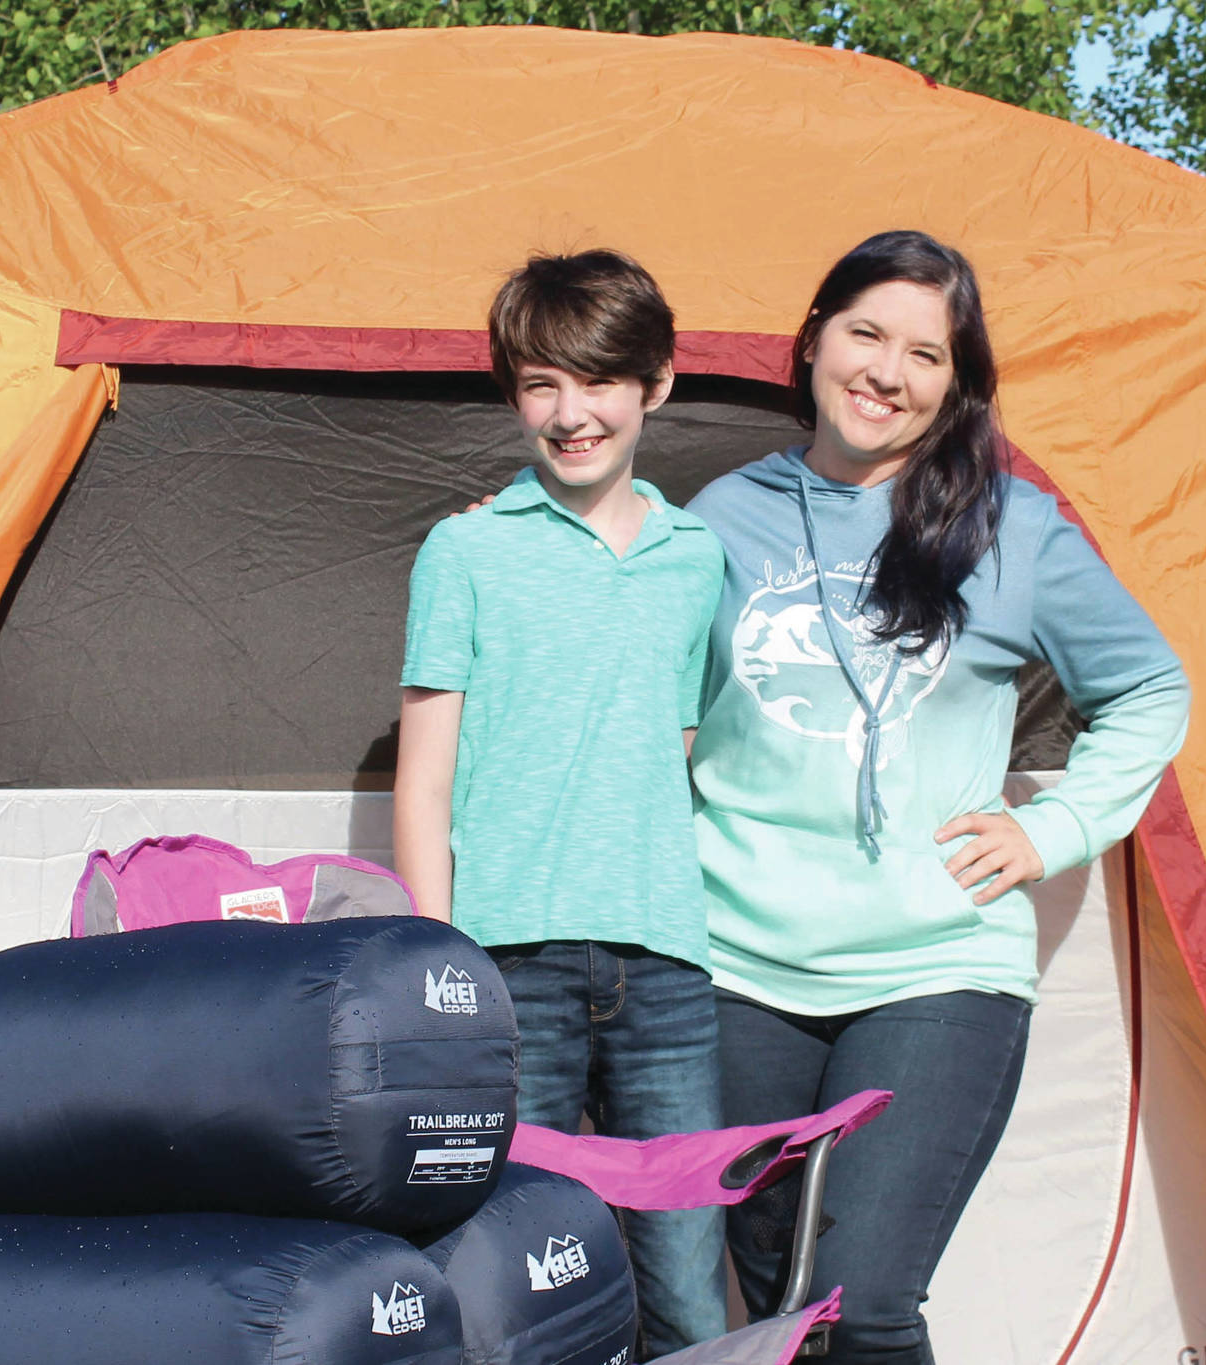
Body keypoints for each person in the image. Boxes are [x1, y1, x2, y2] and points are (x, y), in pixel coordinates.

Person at [687, 230, 1191, 1363]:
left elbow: (1150, 688)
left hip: (934, 966)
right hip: (730, 965)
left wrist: (1050, 826)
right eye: (865, 333)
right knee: (783, 1320)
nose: (886, 371)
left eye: (925, 354)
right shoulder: (717, 519)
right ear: (812, 340)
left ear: (955, 384)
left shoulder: (1014, 529)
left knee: (858, 1305)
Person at [394, 249, 730, 1356]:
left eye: (596, 382)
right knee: (511, 1281)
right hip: (508, 966)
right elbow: (425, 774)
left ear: (655, 385)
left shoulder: (699, 560)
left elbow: (671, 745)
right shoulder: (465, 549)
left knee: (681, 1282)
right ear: (513, 399)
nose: (569, 412)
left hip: (666, 967)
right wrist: (444, 972)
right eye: (541, 385)